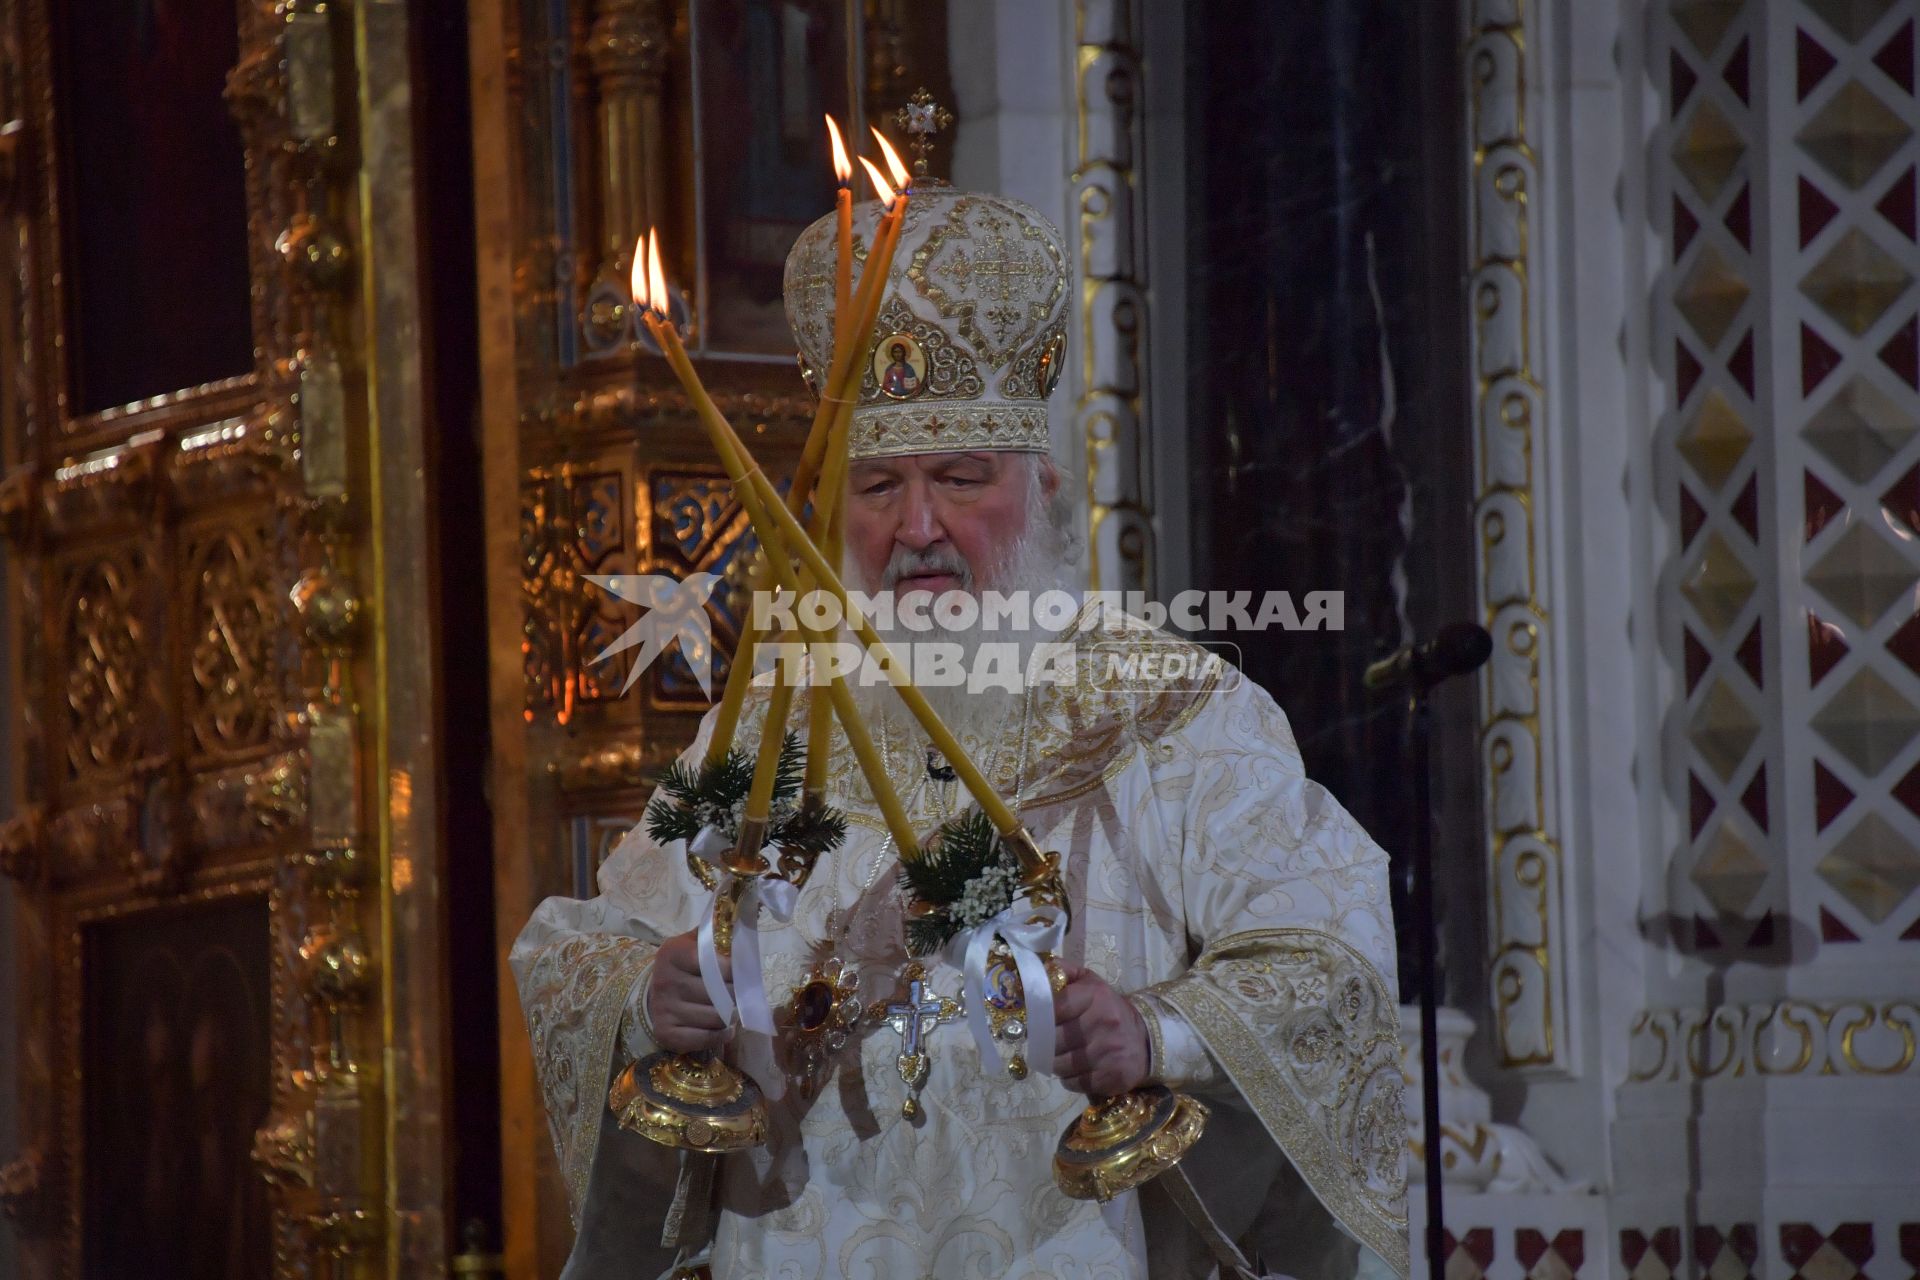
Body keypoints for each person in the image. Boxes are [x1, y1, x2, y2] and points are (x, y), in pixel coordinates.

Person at [512, 181, 1407, 1280]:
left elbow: (1331, 949)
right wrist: (646, 997)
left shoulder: (1173, 715)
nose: (917, 526)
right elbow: (575, 950)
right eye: (878, 484)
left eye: (961, 478)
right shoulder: (768, 725)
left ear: (1042, 488)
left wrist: (1161, 1032)